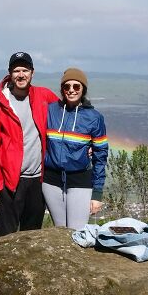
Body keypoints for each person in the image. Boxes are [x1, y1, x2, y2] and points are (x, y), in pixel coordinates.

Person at [0, 52, 59, 236]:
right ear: (10, 74)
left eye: (25, 70)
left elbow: (67, 116)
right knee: (6, 238)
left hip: (38, 181)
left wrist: (87, 145)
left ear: (32, 73)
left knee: (31, 236)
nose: (21, 74)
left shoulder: (44, 96)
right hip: (10, 183)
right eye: (16, 70)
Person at [42, 68, 109, 230]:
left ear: (83, 89)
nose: (71, 90)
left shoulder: (94, 118)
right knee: (60, 231)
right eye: (67, 86)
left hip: (80, 180)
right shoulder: (51, 111)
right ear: (62, 89)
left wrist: (97, 194)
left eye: (76, 86)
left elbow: (100, 157)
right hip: (51, 181)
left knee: (76, 231)